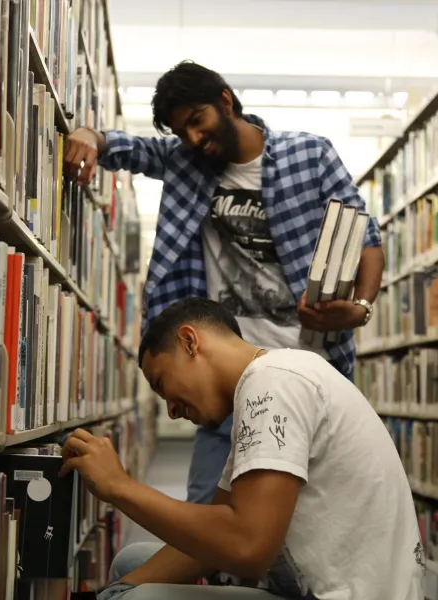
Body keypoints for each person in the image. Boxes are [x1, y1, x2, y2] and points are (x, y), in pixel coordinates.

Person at [63, 60, 385, 584]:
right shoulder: (188, 161)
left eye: (198, 120)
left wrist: (361, 308)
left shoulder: (310, 153)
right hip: (224, 379)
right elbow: (130, 148)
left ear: (226, 101)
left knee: (283, 531)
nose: (194, 138)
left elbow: (366, 239)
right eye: (181, 131)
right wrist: (87, 134)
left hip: (300, 370)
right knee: (201, 531)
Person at [59, 298, 424, 600]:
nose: (170, 408)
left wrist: (120, 487)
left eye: (161, 383)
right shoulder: (269, 383)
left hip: (352, 593)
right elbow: (211, 537)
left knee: (139, 599)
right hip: (323, 584)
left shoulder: (272, 384)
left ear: (190, 342)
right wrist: (112, 592)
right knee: (130, 566)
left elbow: (248, 548)